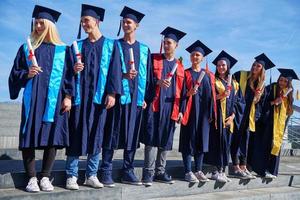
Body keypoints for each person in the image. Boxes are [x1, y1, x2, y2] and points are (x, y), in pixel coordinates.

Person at [8, 5, 72, 192]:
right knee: (29, 136)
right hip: (33, 100)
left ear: (50, 26)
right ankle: (32, 178)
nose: (38, 26)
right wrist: (26, 74)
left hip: (55, 100)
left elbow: (70, 76)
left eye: (42, 23)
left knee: (52, 137)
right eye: (36, 22)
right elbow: (14, 74)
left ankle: (45, 176)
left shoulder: (63, 50)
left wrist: (68, 96)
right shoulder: (27, 49)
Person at [65, 4, 122, 190]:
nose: (84, 24)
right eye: (82, 21)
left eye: (86, 21)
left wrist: (113, 93)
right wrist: (73, 72)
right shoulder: (76, 46)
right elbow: (66, 72)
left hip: (100, 99)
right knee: (75, 133)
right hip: (80, 98)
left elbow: (115, 70)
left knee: (98, 134)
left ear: (97, 22)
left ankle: (91, 174)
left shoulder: (111, 45)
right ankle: (71, 175)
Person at [101, 6, 153, 186]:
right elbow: (107, 71)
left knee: (132, 134)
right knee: (112, 133)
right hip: (118, 97)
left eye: (129, 22)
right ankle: (106, 169)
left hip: (136, 100)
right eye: (124, 22)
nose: (125, 24)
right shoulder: (114, 45)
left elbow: (149, 78)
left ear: (137, 25)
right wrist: (116, 84)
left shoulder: (145, 50)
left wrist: (146, 97)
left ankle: (127, 170)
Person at [140, 27, 186, 186]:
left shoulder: (180, 67)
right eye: (164, 42)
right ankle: (148, 173)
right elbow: (145, 79)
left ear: (176, 45)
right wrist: (157, 82)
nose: (166, 45)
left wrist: (181, 111)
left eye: (169, 43)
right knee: (151, 139)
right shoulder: (154, 59)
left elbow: (184, 91)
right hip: (155, 105)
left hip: (171, 108)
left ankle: (160, 171)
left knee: (166, 140)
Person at [230, 53, 275, 179]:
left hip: (249, 116)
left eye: (258, 66)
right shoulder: (241, 75)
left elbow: (260, 104)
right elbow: (231, 89)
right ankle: (235, 166)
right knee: (236, 140)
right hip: (237, 112)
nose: (255, 67)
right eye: (254, 64)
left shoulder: (261, 86)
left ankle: (243, 166)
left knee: (245, 140)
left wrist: (258, 97)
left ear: (262, 70)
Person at [204, 51, 244, 183]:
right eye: (219, 65)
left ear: (228, 67)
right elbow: (207, 98)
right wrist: (221, 96)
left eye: (224, 65)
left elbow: (239, 102)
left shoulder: (234, 83)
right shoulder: (213, 80)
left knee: (226, 145)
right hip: (216, 118)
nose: (221, 67)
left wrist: (233, 116)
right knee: (216, 144)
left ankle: (222, 171)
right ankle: (215, 171)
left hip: (228, 120)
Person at [250, 68, 298, 178]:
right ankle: (262, 170)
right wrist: (273, 102)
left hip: (279, 125)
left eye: (285, 81)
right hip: (267, 123)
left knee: (276, 146)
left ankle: (272, 170)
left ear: (289, 83)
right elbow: (260, 103)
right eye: (281, 80)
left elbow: (289, 111)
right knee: (265, 146)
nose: (282, 83)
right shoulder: (271, 88)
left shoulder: (289, 94)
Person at [179, 40, 213, 183]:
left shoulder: (208, 75)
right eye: (193, 55)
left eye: (197, 55)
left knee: (201, 141)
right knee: (188, 141)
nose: (195, 57)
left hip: (204, 114)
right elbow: (180, 93)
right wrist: (188, 94)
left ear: (202, 58)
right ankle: (188, 171)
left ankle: (198, 170)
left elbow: (211, 96)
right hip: (189, 111)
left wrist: (211, 114)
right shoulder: (185, 73)